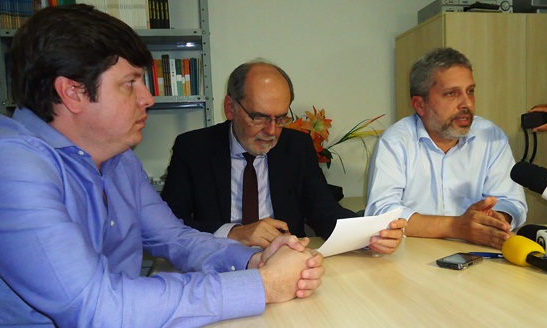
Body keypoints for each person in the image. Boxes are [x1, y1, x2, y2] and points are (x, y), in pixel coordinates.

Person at [0, 5, 325, 328]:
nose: (148, 98)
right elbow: (100, 311)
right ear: (72, 92)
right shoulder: (0, 166)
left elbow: (174, 238)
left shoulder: (116, 158)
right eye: (130, 84)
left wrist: (252, 259)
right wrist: (262, 285)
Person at [160, 59, 407, 251]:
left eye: (280, 118)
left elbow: (324, 211)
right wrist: (234, 232)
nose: (271, 131)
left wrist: (368, 235)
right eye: (259, 117)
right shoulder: (193, 148)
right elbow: (168, 224)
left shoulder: (296, 146)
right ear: (230, 108)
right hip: (219, 260)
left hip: (284, 260)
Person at [365, 47, 527, 250]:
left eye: (470, 91)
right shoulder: (395, 142)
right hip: (414, 256)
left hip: (476, 253)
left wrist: (494, 221)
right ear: (419, 104)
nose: (466, 104)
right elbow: (382, 212)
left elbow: (511, 201)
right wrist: (456, 227)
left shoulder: (491, 136)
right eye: (451, 94)